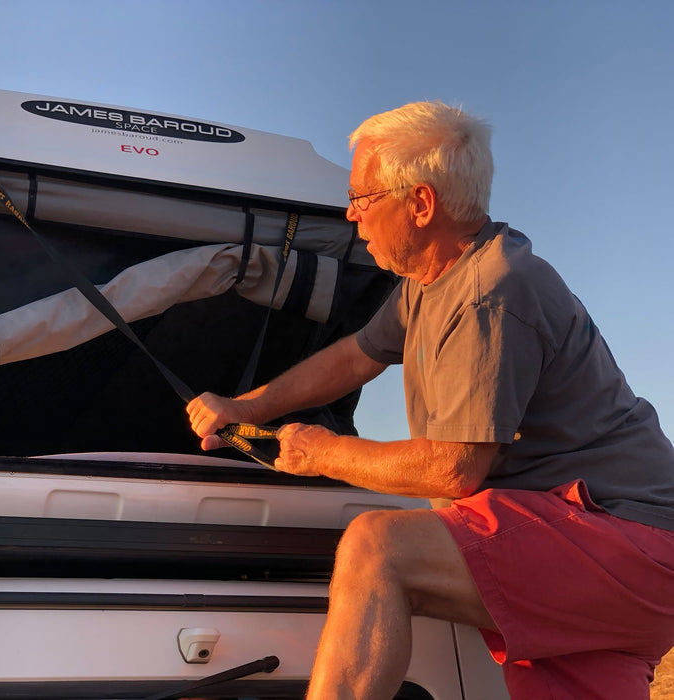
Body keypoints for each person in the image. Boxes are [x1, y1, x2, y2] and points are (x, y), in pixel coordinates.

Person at [186, 101, 674, 700]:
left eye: (362, 197)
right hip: (601, 548)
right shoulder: (426, 287)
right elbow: (353, 357)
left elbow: (452, 467)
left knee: (379, 547)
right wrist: (246, 409)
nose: (351, 213)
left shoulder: (491, 290)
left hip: (626, 539)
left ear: (419, 203)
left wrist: (320, 452)